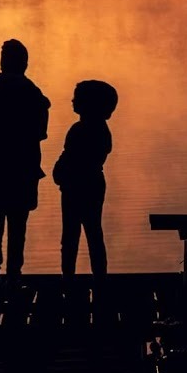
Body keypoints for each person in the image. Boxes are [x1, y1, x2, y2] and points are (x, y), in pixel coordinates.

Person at [0, 39, 50, 288]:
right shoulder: (32, 93)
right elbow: (40, 132)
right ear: (25, 64)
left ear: (2, 62)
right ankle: (14, 275)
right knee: (18, 224)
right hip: (22, 169)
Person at [52, 79, 118, 279]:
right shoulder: (101, 130)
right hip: (93, 183)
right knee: (93, 232)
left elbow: (69, 157)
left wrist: (60, 173)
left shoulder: (80, 130)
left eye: (77, 97)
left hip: (75, 186)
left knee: (71, 235)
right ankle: (100, 277)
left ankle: (68, 278)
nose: (72, 100)